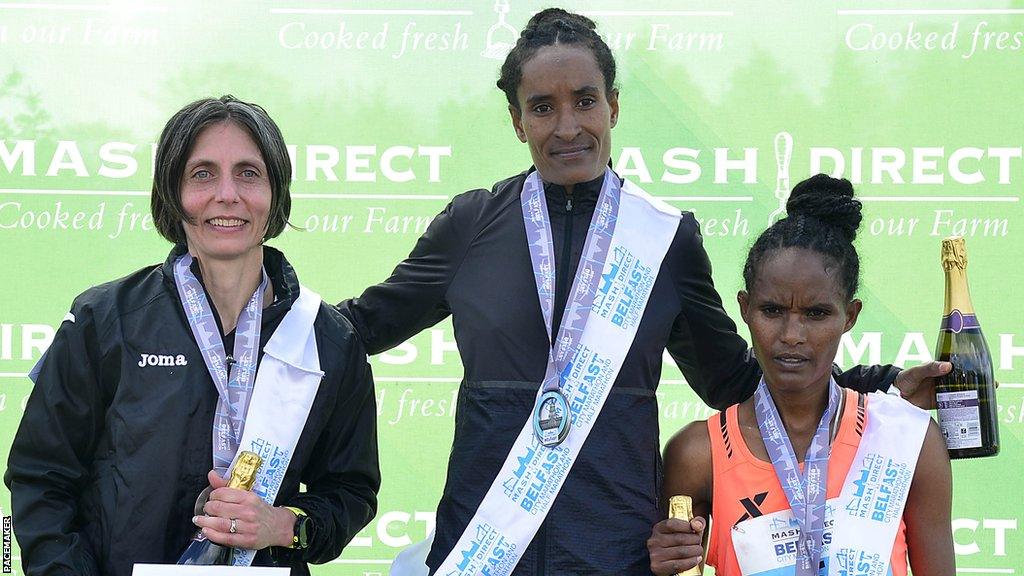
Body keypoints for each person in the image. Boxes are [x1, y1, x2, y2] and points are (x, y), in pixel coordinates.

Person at [339, 9, 948, 575]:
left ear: (614, 107)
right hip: (485, 543)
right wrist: (258, 297)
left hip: (616, 550)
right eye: (543, 108)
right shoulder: (472, 223)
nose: (568, 126)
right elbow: (361, 328)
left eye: (585, 101)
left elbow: (734, 380)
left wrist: (882, 384)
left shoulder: (663, 237)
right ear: (517, 120)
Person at [5, 96, 380, 576]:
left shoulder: (327, 339)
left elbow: (350, 492)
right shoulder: (104, 320)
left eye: (249, 172)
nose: (228, 194)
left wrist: (286, 525)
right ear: (172, 193)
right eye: (202, 173)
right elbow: (41, 477)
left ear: (276, 193)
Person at [647, 175, 955, 576]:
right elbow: (676, 567)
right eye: (772, 310)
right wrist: (663, 566)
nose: (792, 336)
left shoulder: (910, 441)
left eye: (816, 313)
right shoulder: (697, 454)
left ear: (850, 316)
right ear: (745, 308)